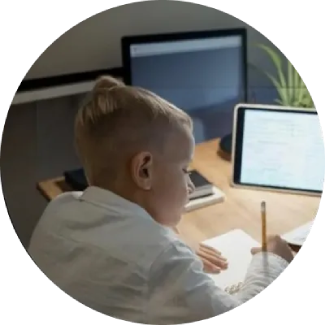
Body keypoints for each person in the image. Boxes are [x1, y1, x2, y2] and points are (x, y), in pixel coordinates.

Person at [28, 76, 293, 322]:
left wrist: (169, 239)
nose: (190, 185)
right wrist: (273, 262)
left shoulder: (59, 208)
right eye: (183, 169)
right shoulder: (162, 259)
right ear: (144, 170)